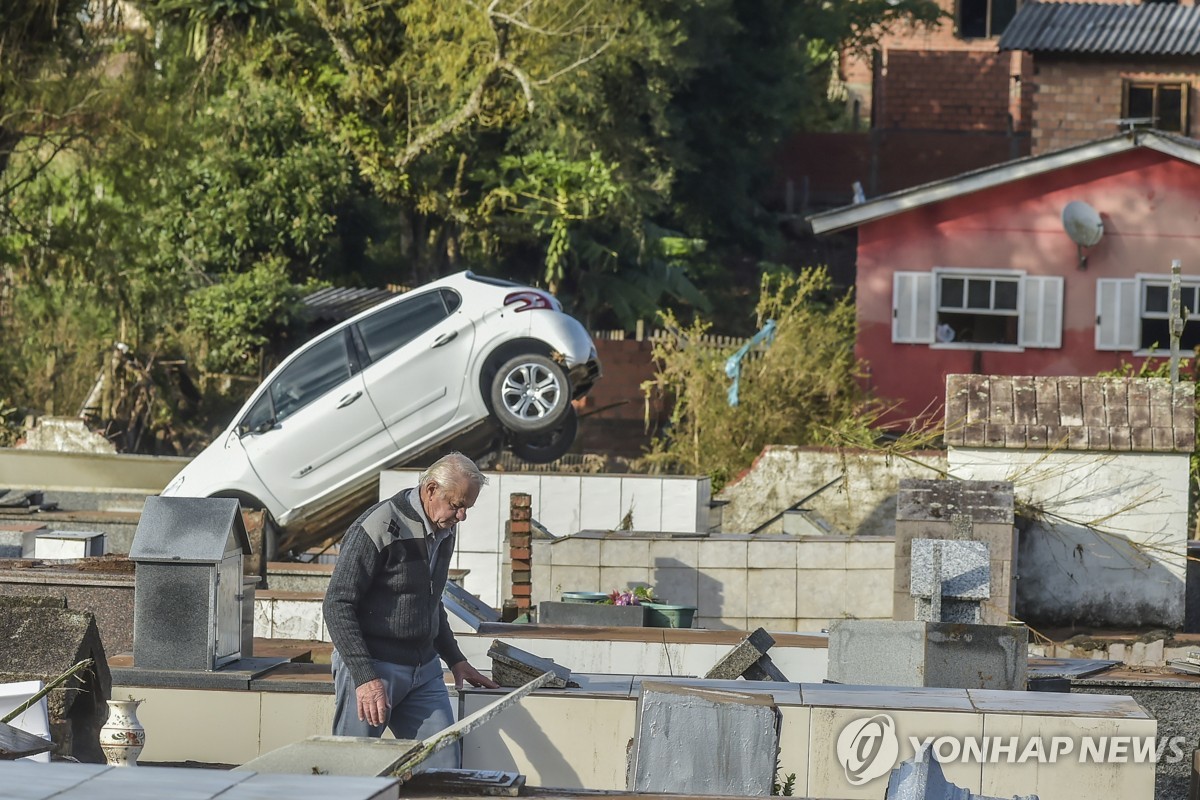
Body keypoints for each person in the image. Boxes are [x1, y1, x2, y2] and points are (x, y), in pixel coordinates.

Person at [323, 452, 499, 766]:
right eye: (457, 505)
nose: (461, 517)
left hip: (425, 669)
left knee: (443, 765)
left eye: (466, 508)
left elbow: (431, 602)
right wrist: (365, 677)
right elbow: (337, 605)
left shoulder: (444, 527)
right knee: (349, 770)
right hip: (374, 668)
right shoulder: (378, 525)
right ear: (431, 490)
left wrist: (456, 659)